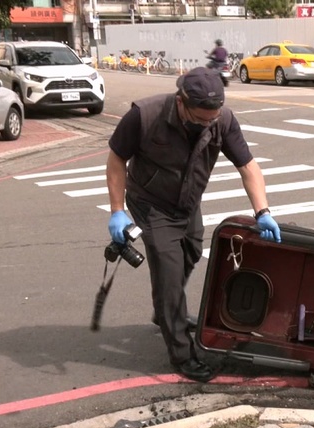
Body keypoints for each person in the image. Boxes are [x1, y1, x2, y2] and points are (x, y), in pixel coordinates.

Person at [105, 67, 281, 382]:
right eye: (201, 119)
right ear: (181, 102)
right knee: (170, 273)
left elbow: (248, 165)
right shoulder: (145, 115)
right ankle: (182, 355)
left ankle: (164, 311)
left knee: (190, 254)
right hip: (151, 203)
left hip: (187, 204)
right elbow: (116, 158)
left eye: (211, 119)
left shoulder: (222, 120)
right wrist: (117, 210)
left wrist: (262, 211)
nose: (207, 125)